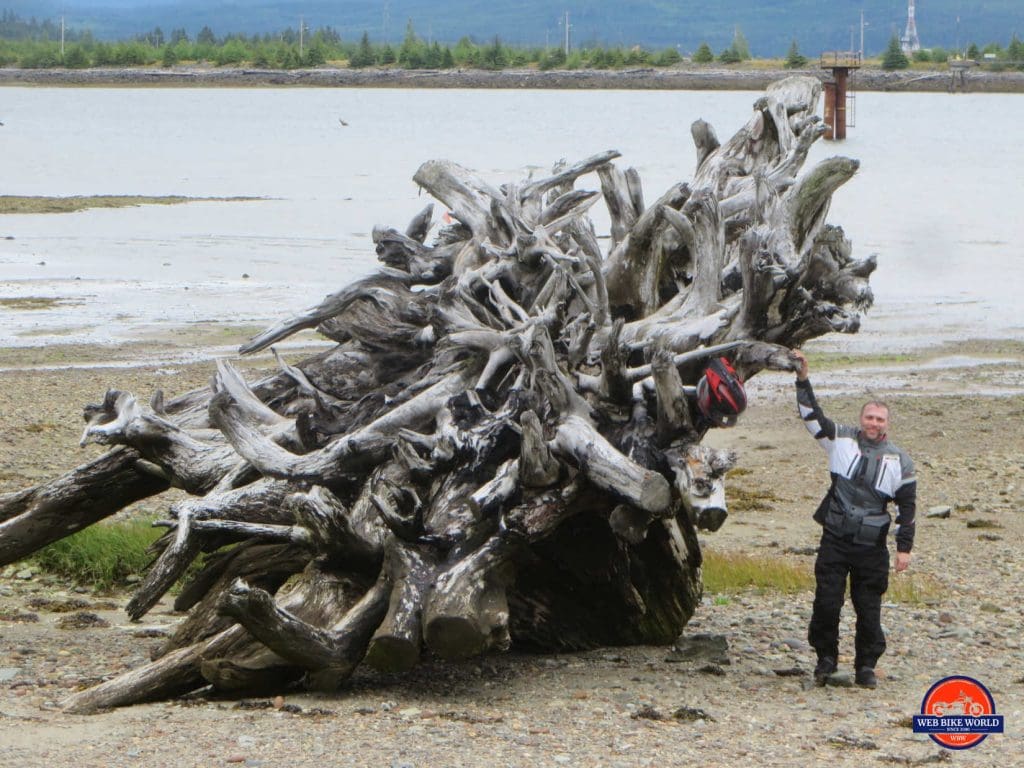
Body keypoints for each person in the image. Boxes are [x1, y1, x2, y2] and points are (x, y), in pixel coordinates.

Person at [791, 349, 916, 689]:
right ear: (862, 419)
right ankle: (825, 660)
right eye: (870, 417)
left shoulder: (900, 461)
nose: (874, 423)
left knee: (869, 609)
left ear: (887, 424)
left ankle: (866, 666)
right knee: (827, 602)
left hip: (871, 547)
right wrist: (803, 379)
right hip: (835, 539)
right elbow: (811, 417)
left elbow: (907, 508)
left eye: (880, 419)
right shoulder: (840, 440)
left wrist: (904, 549)